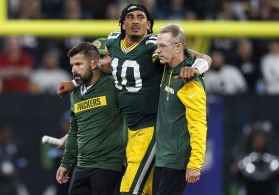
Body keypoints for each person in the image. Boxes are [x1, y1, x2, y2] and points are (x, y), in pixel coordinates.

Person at [57, 4, 212, 194]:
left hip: (149, 129)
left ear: (149, 25)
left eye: (141, 17)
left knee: (130, 189)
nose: (136, 21)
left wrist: (197, 68)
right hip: (126, 128)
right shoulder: (112, 42)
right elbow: (96, 64)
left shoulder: (155, 46)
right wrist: (75, 82)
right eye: (131, 17)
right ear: (122, 24)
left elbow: (203, 57)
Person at [56, 42, 124, 195]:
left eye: (79, 64)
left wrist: (112, 66)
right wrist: (66, 163)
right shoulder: (75, 94)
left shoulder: (114, 84)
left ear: (94, 63)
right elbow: (75, 129)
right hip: (82, 165)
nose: (74, 69)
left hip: (109, 165)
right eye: (72, 65)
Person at [153, 24, 207, 195]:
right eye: (157, 46)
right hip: (161, 158)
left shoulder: (189, 81)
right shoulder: (166, 69)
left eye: (162, 46)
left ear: (177, 47)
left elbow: (198, 125)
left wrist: (195, 164)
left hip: (176, 161)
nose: (158, 51)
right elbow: (204, 57)